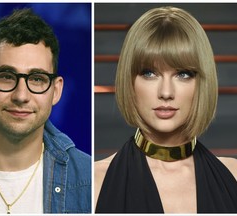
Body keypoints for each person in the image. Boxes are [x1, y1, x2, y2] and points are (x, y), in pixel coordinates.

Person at [95, 6, 237, 213]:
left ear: (202, 83)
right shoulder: (95, 183)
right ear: (130, 81)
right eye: (149, 73)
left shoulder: (232, 176)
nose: (166, 92)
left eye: (183, 74)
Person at [0, 8, 91, 214]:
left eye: (37, 79)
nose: (21, 95)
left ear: (56, 90)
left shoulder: (87, 180)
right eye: (6, 76)